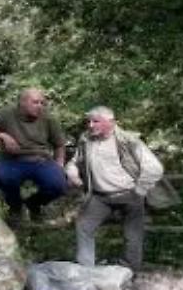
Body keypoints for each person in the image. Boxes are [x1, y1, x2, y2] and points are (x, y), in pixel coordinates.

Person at [66, 106, 164, 273]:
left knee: (132, 236)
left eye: (95, 121)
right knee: (84, 226)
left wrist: (139, 191)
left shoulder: (128, 140)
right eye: (89, 121)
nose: (90, 125)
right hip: (100, 197)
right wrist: (72, 173)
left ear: (110, 122)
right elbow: (74, 162)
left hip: (129, 194)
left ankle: (129, 273)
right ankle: (86, 271)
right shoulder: (86, 140)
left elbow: (154, 168)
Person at [0, 88, 67, 225]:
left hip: (40, 160)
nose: (40, 106)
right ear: (23, 103)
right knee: (4, 177)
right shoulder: (6, 113)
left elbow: (59, 144)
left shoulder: (48, 118)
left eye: (42, 103)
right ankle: (15, 207)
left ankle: (33, 204)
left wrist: (60, 165)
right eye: (35, 102)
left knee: (58, 185)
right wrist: (2, 135)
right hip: (12, 160)